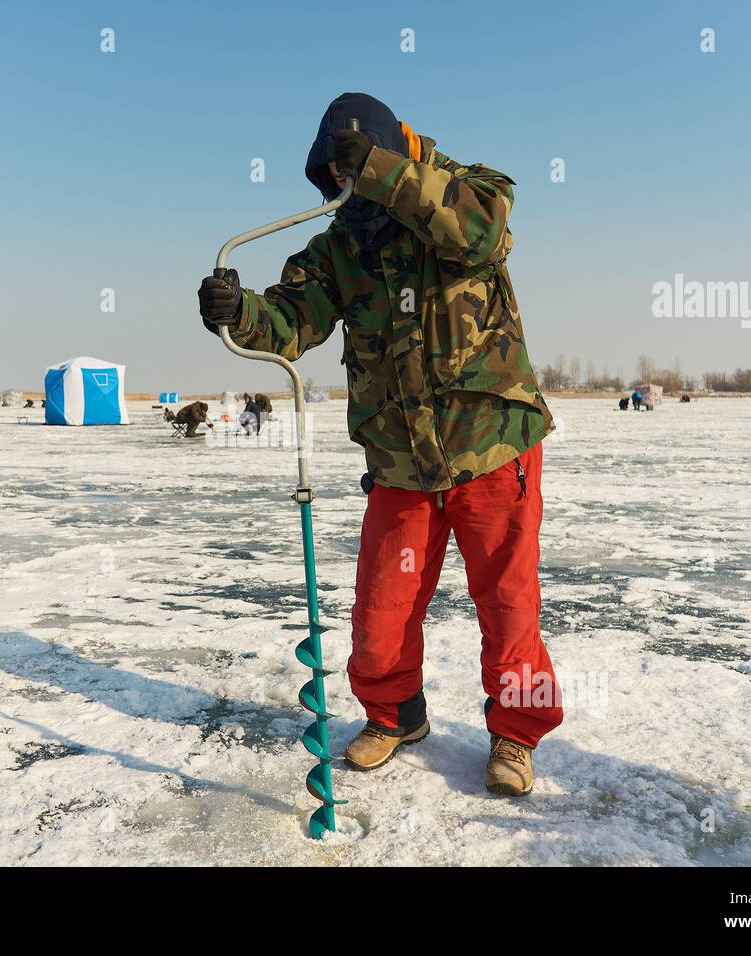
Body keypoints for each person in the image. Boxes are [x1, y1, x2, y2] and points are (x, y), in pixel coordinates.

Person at [197, 92, 562, 796]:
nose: (342, 187)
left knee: (508, 606)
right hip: (400, 464)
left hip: (492, 448)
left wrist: (387, 174)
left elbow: (482, 234)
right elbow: (291, 323)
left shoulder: (468, 191)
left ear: (390, 153)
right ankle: (395, 716)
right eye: (332, 176)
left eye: (352, 168)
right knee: (381, 610)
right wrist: (238, 312)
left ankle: (515, 736)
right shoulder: (339, 249)